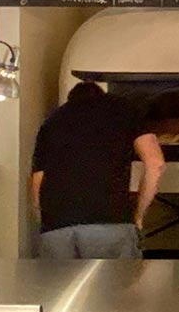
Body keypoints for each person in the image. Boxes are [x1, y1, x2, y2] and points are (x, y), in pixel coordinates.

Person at [31, 82, 165, 259]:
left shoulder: (51, 121)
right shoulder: (125, 110)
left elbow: (37, 181)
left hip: (56, 226)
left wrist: (46, 221)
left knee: (59, 286)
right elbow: (155, 163)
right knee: (115, 286)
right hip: (110, 219)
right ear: (103, 94)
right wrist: (138, 214)